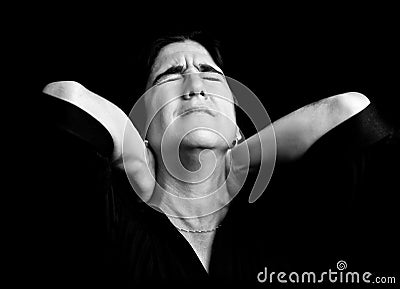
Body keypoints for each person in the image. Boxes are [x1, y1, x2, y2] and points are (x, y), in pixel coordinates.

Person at [41, 31, 398, 286]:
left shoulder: (279, 218)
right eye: (170, 75)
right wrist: (137, 161)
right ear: (141, 128)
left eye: (210, 74)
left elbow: (352, 112)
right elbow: (66, 98)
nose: (195, 85)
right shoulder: (114, 219)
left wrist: (240, 155)